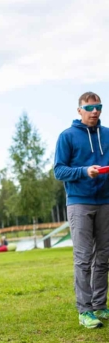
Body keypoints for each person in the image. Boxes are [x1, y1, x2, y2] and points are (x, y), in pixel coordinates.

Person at [54, 91, 109, 329]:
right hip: (79, 201)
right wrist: (84, 171)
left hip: (105, 201)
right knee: (84, 258)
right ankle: (85, 310)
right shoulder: (67, 137)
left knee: (104, 256)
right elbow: (59, 171)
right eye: (89, 107)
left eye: (98, 106)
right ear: (79, 111)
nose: (95, 111)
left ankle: (99, 305)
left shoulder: (107, 134)